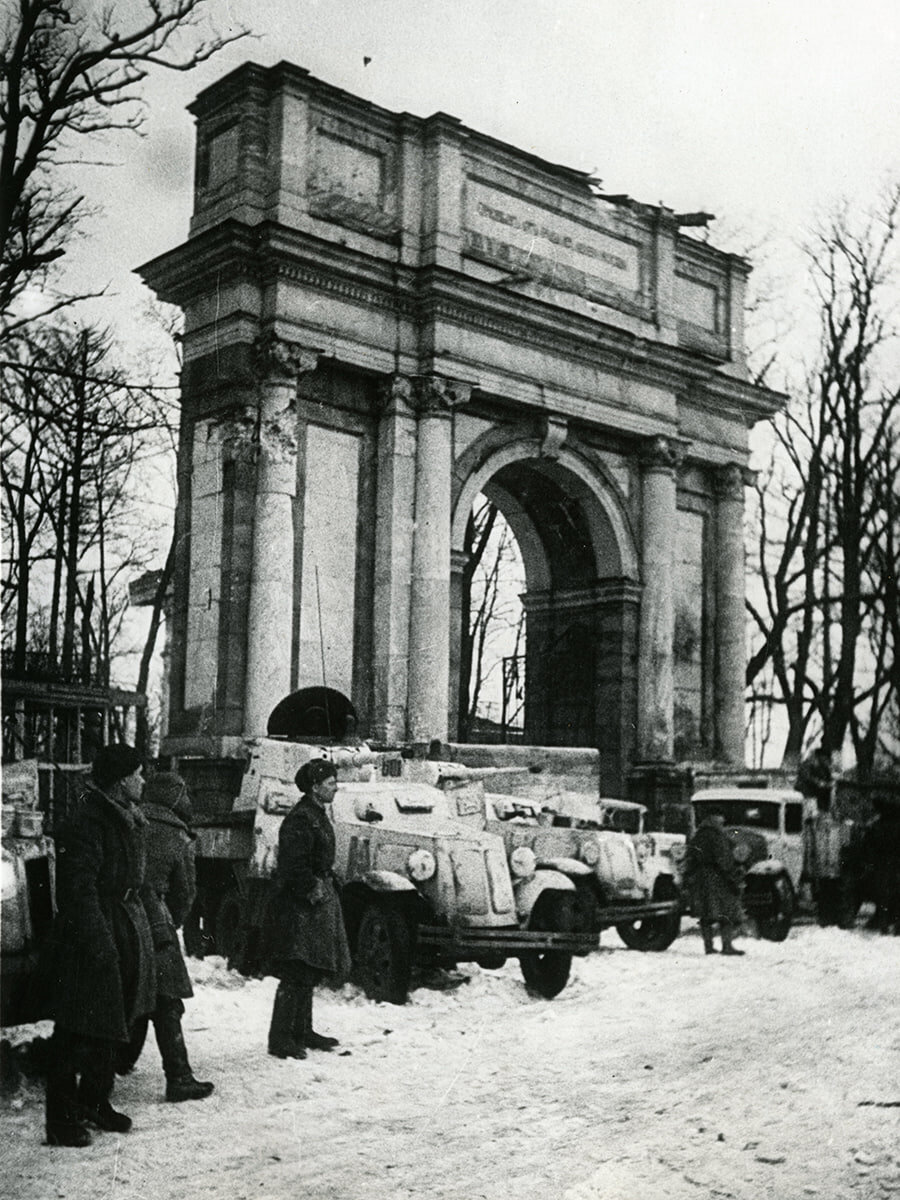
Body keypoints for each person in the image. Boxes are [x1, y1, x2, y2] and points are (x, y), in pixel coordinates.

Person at [43, 744, 156, 1147]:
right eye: (138, 774)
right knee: (76, 1028)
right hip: (91, 932)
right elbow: (79, 889)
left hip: (120, 923)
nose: (143, 781)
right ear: (121, 780)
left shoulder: (122, 816)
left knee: (113, 1021)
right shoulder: (89, 820)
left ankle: (95, 1100)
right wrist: (99, 942)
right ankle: (60, 1119)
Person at [121, 772, 214, 1101]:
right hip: (155, 919)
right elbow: (185, 893)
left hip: (121, 917)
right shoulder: (178, 835)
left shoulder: (130, 818)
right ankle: (179, 1076)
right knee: (167, 1000)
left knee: (130, 991)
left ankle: (120, 1059)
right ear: (174, 798)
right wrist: (167, 921)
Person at [266, 758, 351, 1059]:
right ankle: (281, 1039)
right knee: (296, 968)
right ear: (315, 787)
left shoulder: (315, 813)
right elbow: (293, 864)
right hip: (300, 904)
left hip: (314, 899)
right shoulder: (302, 818)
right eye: (330, 784)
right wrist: (311, 887)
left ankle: (302, 1030)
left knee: (310, 967)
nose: (336, 788)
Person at [685, 806, 746, 956]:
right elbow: (723, 859)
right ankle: (727, 946)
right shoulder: (717, 836)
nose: (723, 821)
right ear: (715, 818)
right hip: (717, 878)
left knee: (706, 914)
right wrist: (733, 878)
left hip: (700, 878)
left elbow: (690, 856)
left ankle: (708, 947)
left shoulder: (699, 835)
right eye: (721, 817)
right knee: (727, 912)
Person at [796, 744, 833, 813]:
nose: (826, 761)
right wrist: (818, 782)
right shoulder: (808, 763)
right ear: (820, 757)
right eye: (825, 759)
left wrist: (829, 783)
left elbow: (828, 779)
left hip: (818, 794)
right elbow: (806, 776)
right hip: (806, 792)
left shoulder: (824, 768)